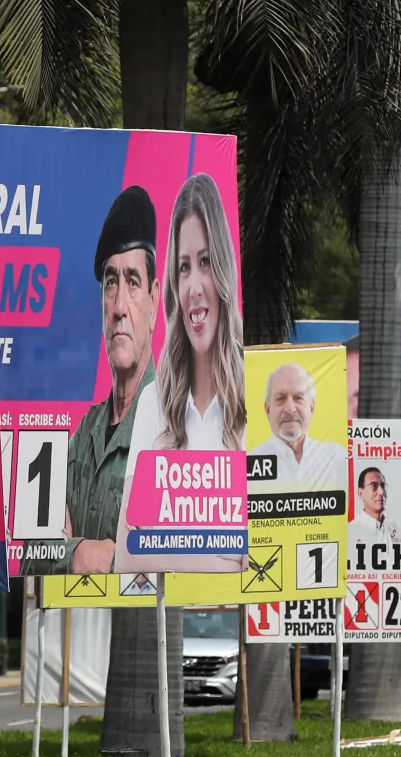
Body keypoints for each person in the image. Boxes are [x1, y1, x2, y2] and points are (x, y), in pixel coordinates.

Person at [23, 185, 159, 576]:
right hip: (74, 632)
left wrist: (68, 543)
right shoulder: (84, 434)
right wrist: (78, 554)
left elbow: (173, 559)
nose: (118, 307)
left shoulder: (173, 428)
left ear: (154, 301)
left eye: (132, 282)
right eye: (110, 283)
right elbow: (33, 552)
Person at [117, 172, 247, 573]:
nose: (193, 285)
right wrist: (224, 555)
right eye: (184, 267)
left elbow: (264, 557)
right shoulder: (153, 404)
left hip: (241, 626)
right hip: (164, 618)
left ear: (223, 271)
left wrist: (168, 546)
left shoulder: (256, 405)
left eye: (205, 262)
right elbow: (127, 555)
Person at [253, 362, 345, 489]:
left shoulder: (337, 459)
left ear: (311, 408)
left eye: (298, 398)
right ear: (268, 409)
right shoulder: (248, 463)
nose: (290, 409)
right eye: (280, 398)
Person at [352, 467, 401, 543]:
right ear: (361, 493)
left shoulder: (394, 527)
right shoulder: (353, 529)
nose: (381, 492)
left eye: (383, 486)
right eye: (374, 486)